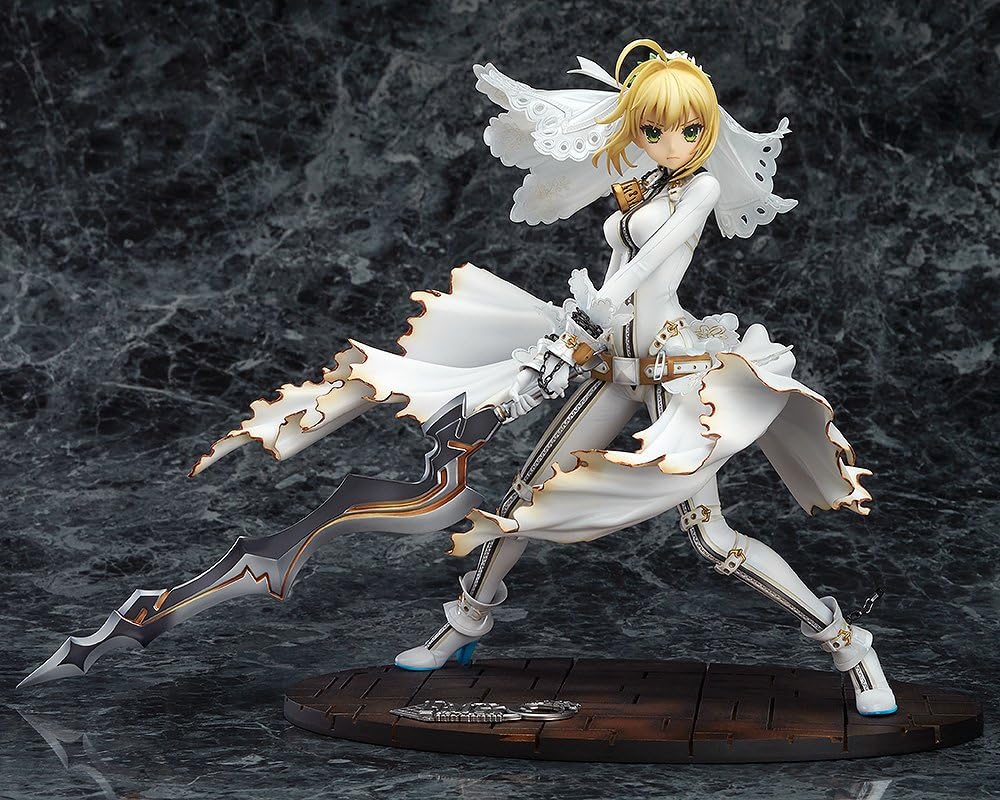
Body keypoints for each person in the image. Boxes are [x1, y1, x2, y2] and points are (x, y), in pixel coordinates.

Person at [193, 40, 897, 716]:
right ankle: (466, 621)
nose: (673, 142)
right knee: (524, 498)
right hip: (615, 364)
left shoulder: (701, 185)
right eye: (656, 129)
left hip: (674, 372)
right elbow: (622, 257)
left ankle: (849, 645)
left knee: (710, 538)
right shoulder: (646, 181)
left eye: (689, 129)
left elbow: (652, 262)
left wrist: (596, 307)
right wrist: (574, 336)